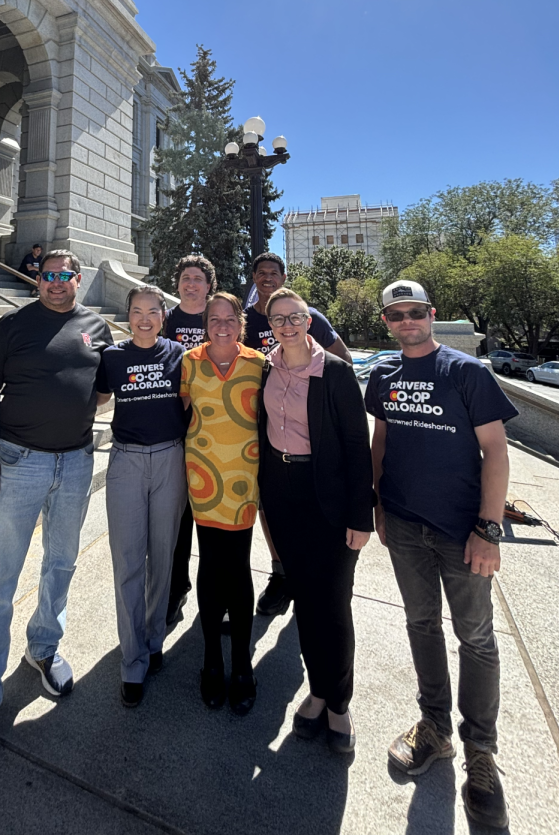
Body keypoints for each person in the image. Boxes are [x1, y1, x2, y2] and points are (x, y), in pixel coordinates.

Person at [366, 280, 517, 830]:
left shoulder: (466, 372)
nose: (406, 320)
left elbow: (495, 450)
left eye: (414, 311)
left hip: (462, 531)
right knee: (420, 623)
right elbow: (380, 441)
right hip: (404, 523)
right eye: (395, 314)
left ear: (431, 313)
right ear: (387, 322)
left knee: (476, 637)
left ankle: (481, 753)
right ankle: (435, 728)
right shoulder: (383, 376)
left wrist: (489, 528)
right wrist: (378, 504)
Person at [0, 250, 113, 771]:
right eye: (46, 276)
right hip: (18, 463)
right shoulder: (14, 325)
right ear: (38, 280)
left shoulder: (96, 326)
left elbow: (107, 387)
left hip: (75, 464)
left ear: (77, 279)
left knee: (61, 564)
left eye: (65, 275)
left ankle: (43, 649)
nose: (55, 283)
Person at [257, 288, 374, 753]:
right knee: (305, 598)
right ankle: (318, 691)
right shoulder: (267, 366)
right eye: (278, 319)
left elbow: (357, 448)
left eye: (295, 317)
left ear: (309, 320)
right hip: (283, 495)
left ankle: (339, 703)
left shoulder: (337, 373)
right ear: (270, 326)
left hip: (327, 495)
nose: (287, 325)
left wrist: (360, 515)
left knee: (333, 602)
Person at [243, 251, 353, 619]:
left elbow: (344, 363)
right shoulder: (245, 320)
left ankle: (311, 586)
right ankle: (281, 573)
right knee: (270, 510)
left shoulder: (309, 317)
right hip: (266, 432)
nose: (267, 278)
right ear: (254, 278)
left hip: (310, 438)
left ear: (284, 276)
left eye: (274, 273)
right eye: (261, 273)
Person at [95, 285, 188, 706]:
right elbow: (94, 400)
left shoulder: (180, 356)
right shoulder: (111, 358)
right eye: (137, 311)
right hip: (127, 462)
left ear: (163, 316)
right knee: (128, 561)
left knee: (163, 557)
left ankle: (153, 641)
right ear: (127, 316)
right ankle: (131, 659)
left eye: (153, 311)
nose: (145, 318)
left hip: (171, 458)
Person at [181, 291, 264, 716]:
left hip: (242, 483)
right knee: (211, 567)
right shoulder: (189, 362)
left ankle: (242, 663)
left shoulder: (259, 364)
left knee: (239, 568)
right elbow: (179, 414)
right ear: (206, 324)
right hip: (202, 480)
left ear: (240, 322)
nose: (222, 325)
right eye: (214, 319)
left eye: (229, 317)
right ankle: (212, 658)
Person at [164, 254, 216, 625]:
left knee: (214, 521)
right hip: (175, 429)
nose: (191, 283)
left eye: (198, 278)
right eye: (186, 277)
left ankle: (217, 595)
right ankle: (175, 589)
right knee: (178, 519)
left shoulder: (219, 319)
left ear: (208, 285)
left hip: (216, 431)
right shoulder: (166, 321)